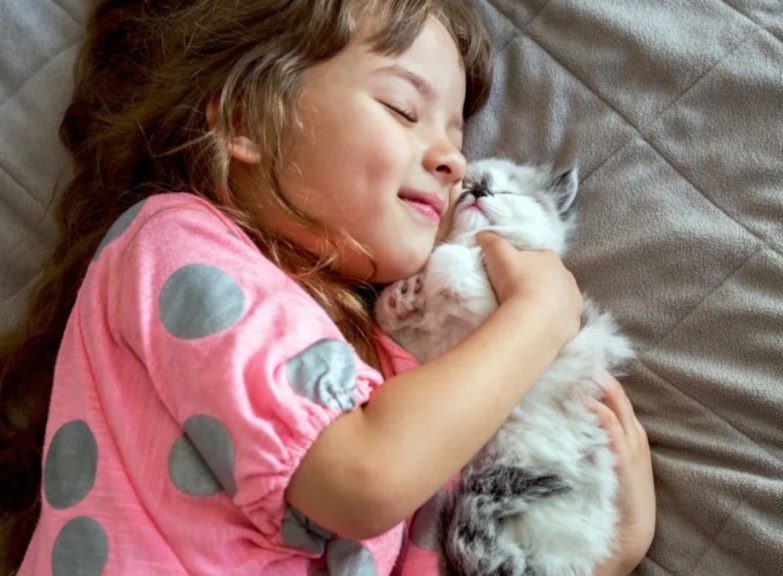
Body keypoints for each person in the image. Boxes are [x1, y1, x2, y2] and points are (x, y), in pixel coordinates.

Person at [0, 0, 655, 574]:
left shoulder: (391, 363)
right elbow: (365, 480)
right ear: (246, 120)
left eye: (457, 134)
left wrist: (599, 561)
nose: (455, 160)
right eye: (404, 109)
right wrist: (541, 313)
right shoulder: (174, 245)